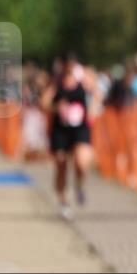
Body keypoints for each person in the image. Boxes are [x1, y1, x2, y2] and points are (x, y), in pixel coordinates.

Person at [42, 56, 93, 219]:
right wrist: (56, 107)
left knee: (81, 161)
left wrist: (94, 107)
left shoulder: (83, 80)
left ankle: (80, 185)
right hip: (61, 129)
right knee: (61, 164)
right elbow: (44, 103)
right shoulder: (56, 83)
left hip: (80, 128)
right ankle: (64, 202)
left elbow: (97, 93)